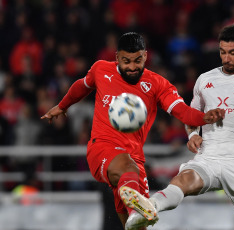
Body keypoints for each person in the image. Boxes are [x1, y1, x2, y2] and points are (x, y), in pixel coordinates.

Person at [121, 25, 234, 230]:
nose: (226, 58)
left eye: (232, 53)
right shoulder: (205, 80)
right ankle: (150, 206)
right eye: (222, 52)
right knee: (183, 180)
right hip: (210, 156)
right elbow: (191, 117)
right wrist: (193, 135)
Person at [41, 32, 224, 228]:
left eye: (137, 60)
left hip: (134, 161)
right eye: (126, 61)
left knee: (135, 226)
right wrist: (62, 106)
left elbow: (182, 112)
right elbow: (82, 86)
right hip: (102, 147)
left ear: (145, 56)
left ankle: (134, 212)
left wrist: (203, 117)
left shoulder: (158, 85)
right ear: (117, 57)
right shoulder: (101, 69)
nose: (132, 67)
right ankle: (136, 207)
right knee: (128, 170)